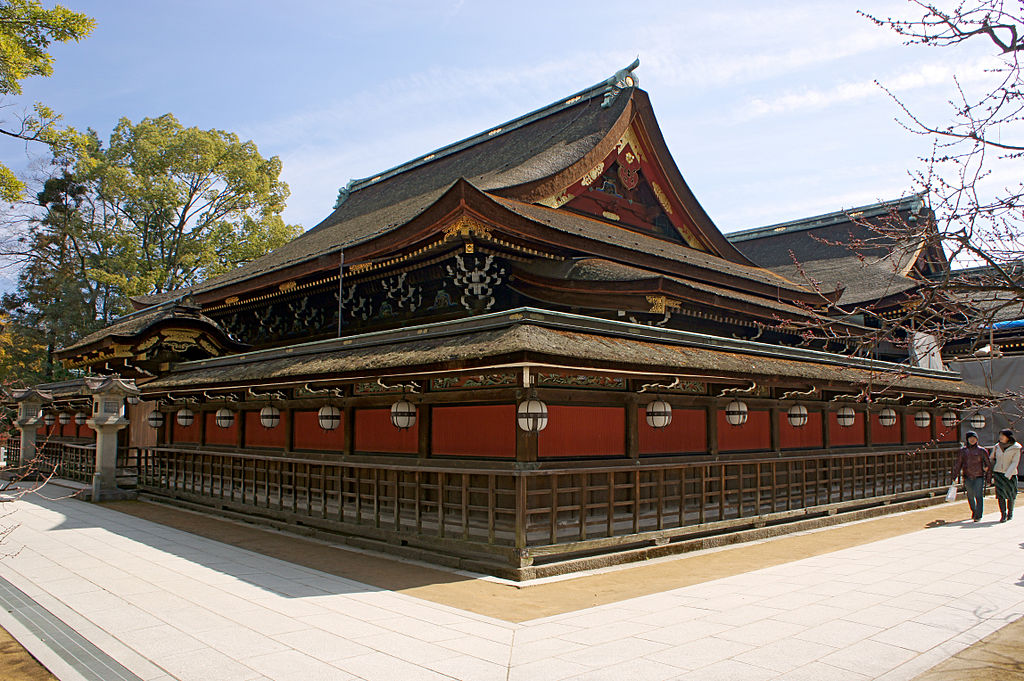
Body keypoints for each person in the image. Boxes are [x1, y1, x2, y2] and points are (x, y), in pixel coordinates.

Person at [952, 431, 992, 522]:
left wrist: (988, 478)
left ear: (977, 439)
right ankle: (974, 511)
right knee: (970, 496)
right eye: (970, 438)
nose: (972, 440)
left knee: (978, 495)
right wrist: (954, 475)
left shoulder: (982, 450)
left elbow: (988, 465)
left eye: (974, 438)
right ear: (967, 439)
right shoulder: (963, 451)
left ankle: (978, 515)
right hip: (967, 476)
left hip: (979, 475)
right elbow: (958, 464)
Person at [991, 429, 1021, 523]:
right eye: (1000, 435)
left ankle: (1010, 512)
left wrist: (1007, 474)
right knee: (1000, 495)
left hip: (1011, 474)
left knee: (1011, 494)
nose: (1000, 437)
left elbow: (1015, 462)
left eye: (1003, 436)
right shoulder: (997, 447)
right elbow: (992, 457)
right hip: (998, 472)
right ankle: (1003, 514)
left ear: (1008, 437)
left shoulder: (1016, 448)